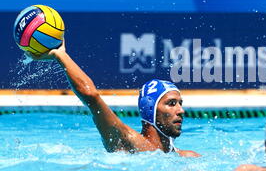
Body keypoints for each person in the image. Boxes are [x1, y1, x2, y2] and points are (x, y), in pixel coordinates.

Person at [28, 41, 200, 157]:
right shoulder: (127, 142)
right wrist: (61, 55)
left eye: (180, 103)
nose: (181, 110)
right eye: (171, 104)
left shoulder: (187, 157)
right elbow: (91, 97)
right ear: (150, 110)